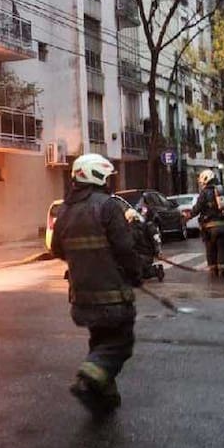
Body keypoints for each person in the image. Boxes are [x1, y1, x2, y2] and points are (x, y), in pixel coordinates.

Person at [50, 153, 142, 415]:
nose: (109, 182)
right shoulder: (107, 206)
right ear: (97, 175)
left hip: (82, 296)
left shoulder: (64, 210)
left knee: (100, 339)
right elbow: (124, 248)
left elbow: (57, 249)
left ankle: (104, 395)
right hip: (112, 295)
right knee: (120, 342)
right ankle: (88, 376)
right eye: (107, 176)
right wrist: (136, 273)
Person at [188, 169, 224, 277]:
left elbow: (197, 208)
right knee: (223, 248)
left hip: (209, 228)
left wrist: (188, 216)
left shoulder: (204, 193)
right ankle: (223, 269)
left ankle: (213, 269)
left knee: (210, 249)